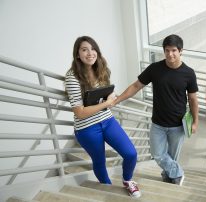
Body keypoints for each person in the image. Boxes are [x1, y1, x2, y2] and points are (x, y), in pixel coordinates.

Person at [113, 34, 199, 186]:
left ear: (181, 51)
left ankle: (169, 178)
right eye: (167, 50)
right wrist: (117, 99)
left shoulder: (189, 73)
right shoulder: (155, 69)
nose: (170, 54)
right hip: (158, 123)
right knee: (157, 154)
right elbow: (135, 86)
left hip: (178, 125)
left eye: (173, 50)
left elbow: (193, 99)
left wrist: (195, 122)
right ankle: (178, 173)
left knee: (172, 157)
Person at [64, 36, 141, 198]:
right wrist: (106, 104)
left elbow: (107, 90)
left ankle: (127, 180)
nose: (90, 53)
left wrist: (111, 96)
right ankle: (107, 189)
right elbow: (79, 112)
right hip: (86, 128)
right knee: (99, 161)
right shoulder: (72, 78)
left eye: (93, 49)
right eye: (84, 50)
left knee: (131, 153)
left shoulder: (100, 67)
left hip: (107, 120)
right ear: (77, 54)